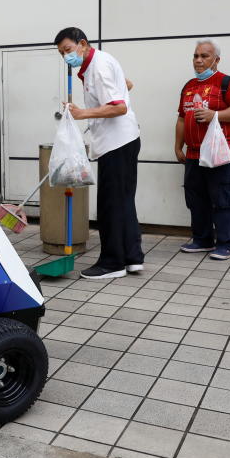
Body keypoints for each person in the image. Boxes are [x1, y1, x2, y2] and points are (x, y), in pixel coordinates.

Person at [54, 27, 143, 279]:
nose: (66, 57)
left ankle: (112, 264)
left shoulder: (99, 66)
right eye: (62, 54)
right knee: (124, 201)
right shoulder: (98, 62)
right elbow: (126, 85)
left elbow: (119, 107)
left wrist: (83, 113)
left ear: (82, 44)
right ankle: (132, 258)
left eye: (68, 50)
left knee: (110, 205)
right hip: (123, 140)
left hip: (117, 142)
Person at [175, 39, 230, 261]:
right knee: (196, 198)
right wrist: (178, 146)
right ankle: (202, 239)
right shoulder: (189, 86)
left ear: (216, 59)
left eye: (204, 56)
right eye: (196, 56)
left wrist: (214, 115)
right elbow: (181, 118)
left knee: (223, 199)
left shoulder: (227, 83)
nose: (199, 60)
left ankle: (225, 243)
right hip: (194, 154)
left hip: (222, 154)